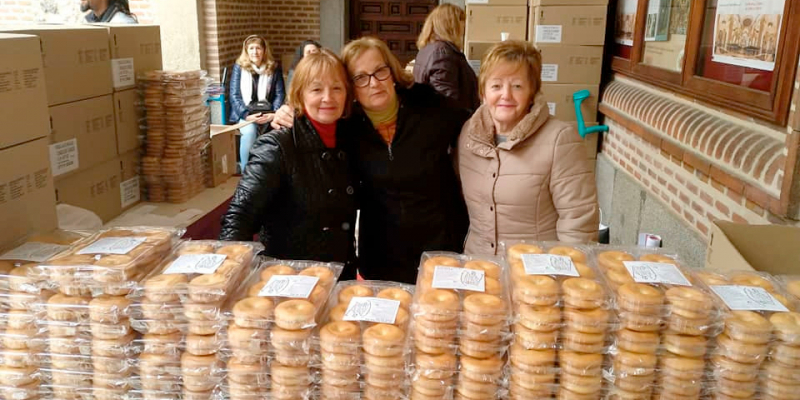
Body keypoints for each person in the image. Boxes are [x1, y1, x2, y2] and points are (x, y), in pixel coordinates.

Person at [271, 37, 470, 284]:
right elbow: (313, 125)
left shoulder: (428, 105)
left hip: (441, 246)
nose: (373, 83)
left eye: (379, 71)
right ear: (350, 87)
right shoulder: (346, 126)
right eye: (360, 77)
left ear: (392, 71)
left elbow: (475, 128)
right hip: (383, 253)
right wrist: (289, 114)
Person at [220, 49, 358, 280]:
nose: (328, 97)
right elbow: (240, 215)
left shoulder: (349, 137)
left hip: (340, 276)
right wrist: (227, 280)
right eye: (316, 89)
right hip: (290, 279)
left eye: (337, 88)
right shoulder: (278, 146)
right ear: (299, 94)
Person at [458, 41, 599, 255]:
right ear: (483, 93)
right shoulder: (469, 135)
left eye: (517, 86)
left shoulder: (560, 139)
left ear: (531, 93)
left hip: (533, 273)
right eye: (496, 86)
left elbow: (578, 221)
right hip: (480, 269)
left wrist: (563, 274)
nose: (506, 95)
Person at [229, 35, 286, 173]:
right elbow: (234, 95)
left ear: (264, 50)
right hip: (246, 113)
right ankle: (246, 172)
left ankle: (271, 173)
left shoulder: (274, 67)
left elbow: (280, 94)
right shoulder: (239, 67)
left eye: (258, 48)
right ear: (247, 51)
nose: (255, 52)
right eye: (251, 48)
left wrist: (273, 114)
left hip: (269, 113)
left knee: (280, 134)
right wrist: (246, 115)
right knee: (249, 133)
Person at [413, 3, 479, 112]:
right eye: (461, 21)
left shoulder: (428, 49)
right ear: (451, 25)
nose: (464, 27)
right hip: (452, 124)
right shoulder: (442, 53)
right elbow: (446, 101)